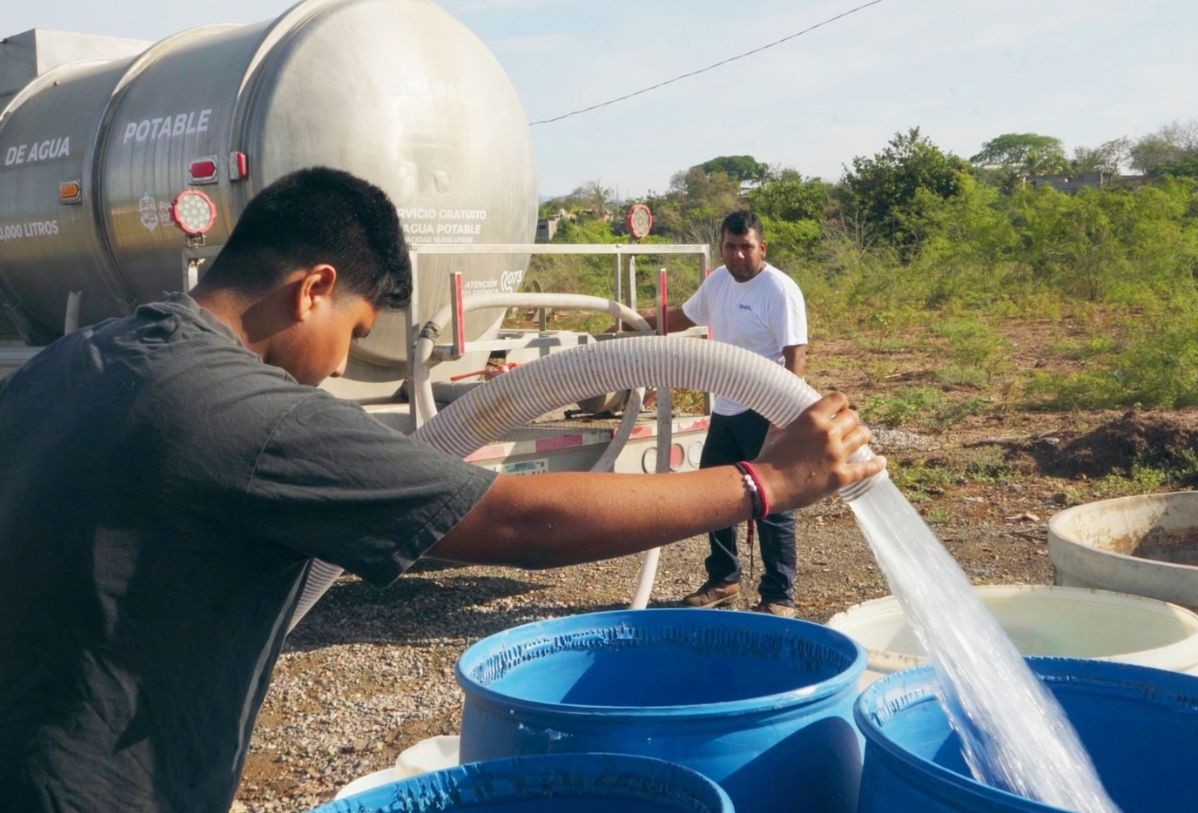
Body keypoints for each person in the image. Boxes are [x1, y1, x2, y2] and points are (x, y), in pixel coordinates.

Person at [0, 168, 883, 812]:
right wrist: (769, 479)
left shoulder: (78, 358)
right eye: (351, 329)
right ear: (312, 289)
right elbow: (519, 521)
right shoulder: (248, 416)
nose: (342, 362)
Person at [622, 211, 808, 617]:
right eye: (730, 247)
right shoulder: (718, 282)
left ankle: (779, 596)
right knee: (714, 497)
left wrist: (784, 418)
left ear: (762, 247)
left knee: (771, 502)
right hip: (727, 407)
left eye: (746, 247)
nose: (738, 255)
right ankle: (724, 579)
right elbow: (684, 317)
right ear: (722, 246)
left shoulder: (778, 290)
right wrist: (634, 325)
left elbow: (795, 354)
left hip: (766, 408)